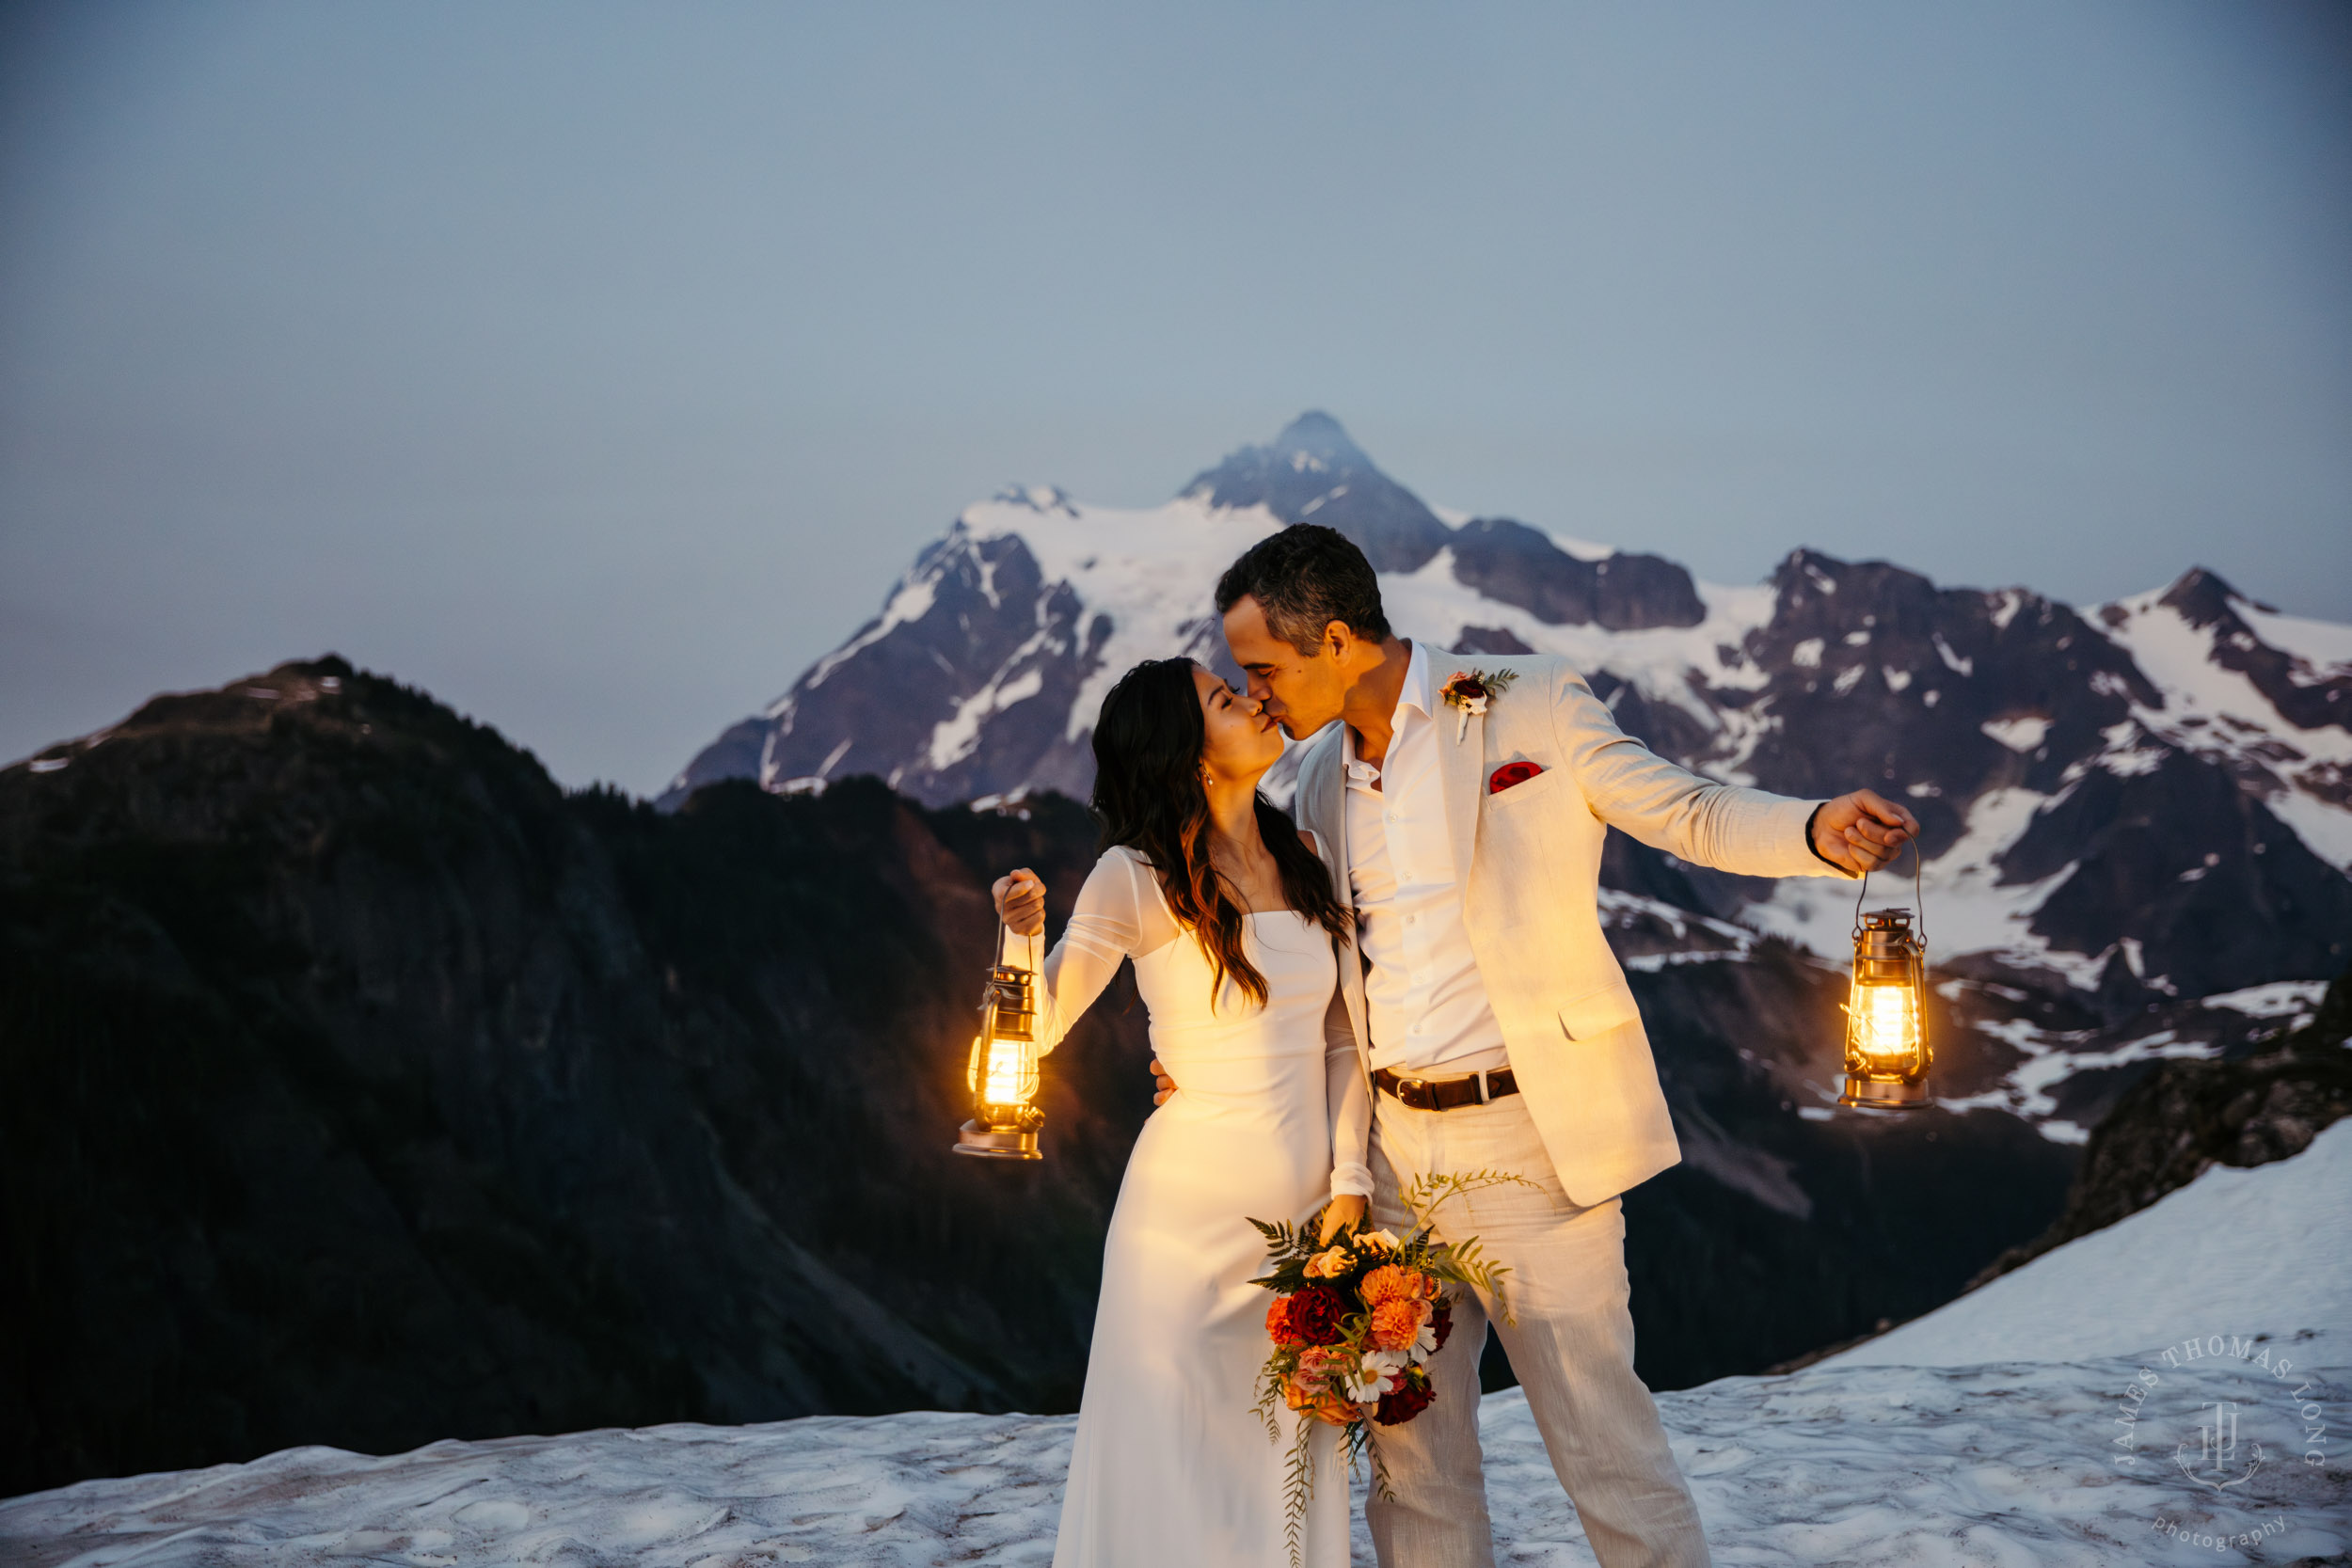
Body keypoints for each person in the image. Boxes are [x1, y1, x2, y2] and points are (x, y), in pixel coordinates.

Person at [1158, 522, 1920, 1568]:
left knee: (1603, 1443)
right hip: (1386, 1157)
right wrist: (1211, 1054)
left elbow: (1682, 810)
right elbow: (1321, 979)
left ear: (1335, 640)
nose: (1257, 696)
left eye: (1265, 669)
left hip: (1536, 1135)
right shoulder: (1317, 783)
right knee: (1411, 1467)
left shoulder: (1531, 701)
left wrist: (1810, 827)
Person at [992, 655, 1376, 1568]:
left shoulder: (1305, 855)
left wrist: (1349, 1182)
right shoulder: (1133, 875)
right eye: (1221, 698)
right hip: (1180, 1229)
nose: (1250, 700)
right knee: (1174, 1470)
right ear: (1188, 751)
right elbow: (1033, 1029)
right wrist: (1020, 931)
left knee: (1283, 1467)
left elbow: (1339, 1042)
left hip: (1300, 1223)